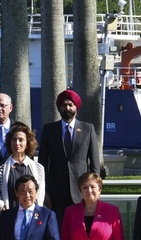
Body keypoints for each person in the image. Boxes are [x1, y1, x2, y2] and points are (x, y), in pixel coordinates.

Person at [38, 88, 102, 228]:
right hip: (56, 193)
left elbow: (94, 163)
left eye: (70, 105)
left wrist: (95, 189)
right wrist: (45, 191)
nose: (67, 108)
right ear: (59, 108)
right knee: (59, 232)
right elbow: (42, 164)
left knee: (80, 230)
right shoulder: (49, 130)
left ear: (76, 107)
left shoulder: (88, 129)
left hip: (81, 191)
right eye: (64, 105)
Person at [0, 122, 46, 211]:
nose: (17, 143)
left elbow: (40, 196)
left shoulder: (38, 168)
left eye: (21, 140)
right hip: (8, 217)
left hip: (31, 217)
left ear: (27, 143)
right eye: (14, 139)